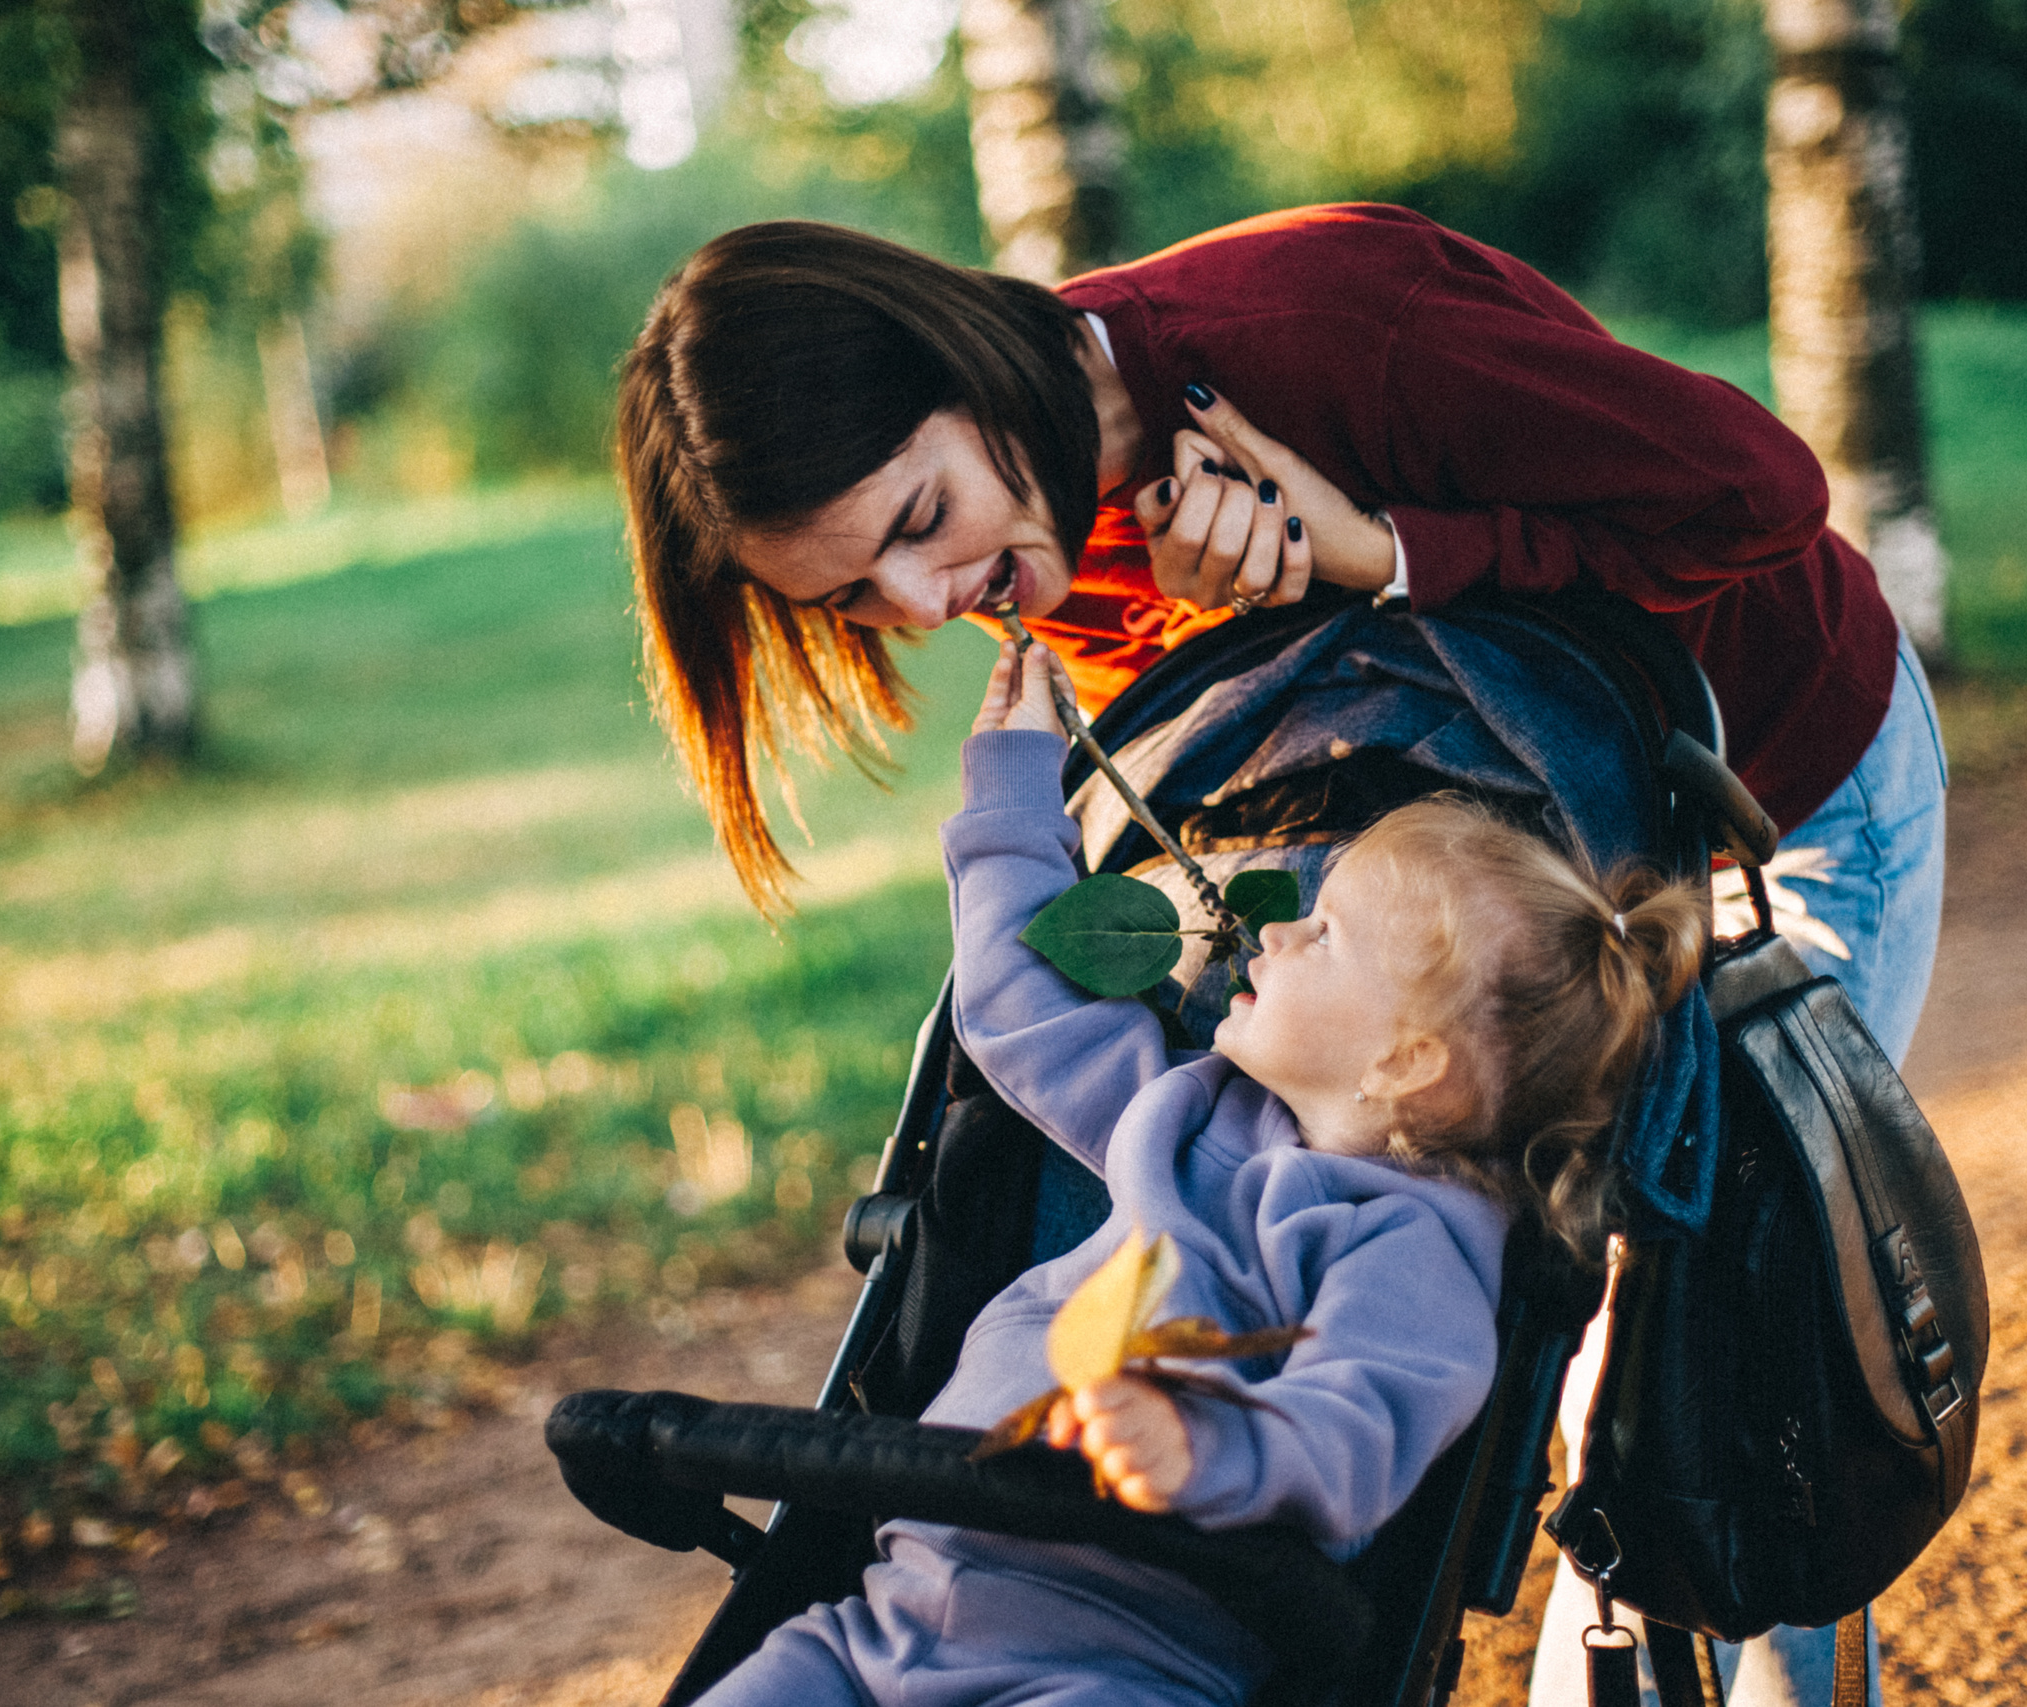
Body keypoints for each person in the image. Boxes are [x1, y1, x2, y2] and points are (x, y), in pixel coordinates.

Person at [620, 205, 1947, 1701]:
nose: (920, 607)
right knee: (1573, 1354)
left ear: (971, 368)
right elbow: (1276, 752)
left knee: (1708, 1382)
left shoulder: (1328, 333)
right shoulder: (1036, 541)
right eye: (853, 593)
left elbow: (1756, 495)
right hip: (1432, 921)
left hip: (1768, 769)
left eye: (918, 524)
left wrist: (1376, 548)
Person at [695, 640, 1711, 1707]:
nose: (1272, 926)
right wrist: (1010, 782)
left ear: (1404, 1061)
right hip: (887, 1612)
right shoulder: (1185, 1110)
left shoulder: (1412, 1247)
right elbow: (1019, 1012)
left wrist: (1199, 1445)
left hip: (1117, 1658)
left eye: (1320, 935)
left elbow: (1353, 1429)